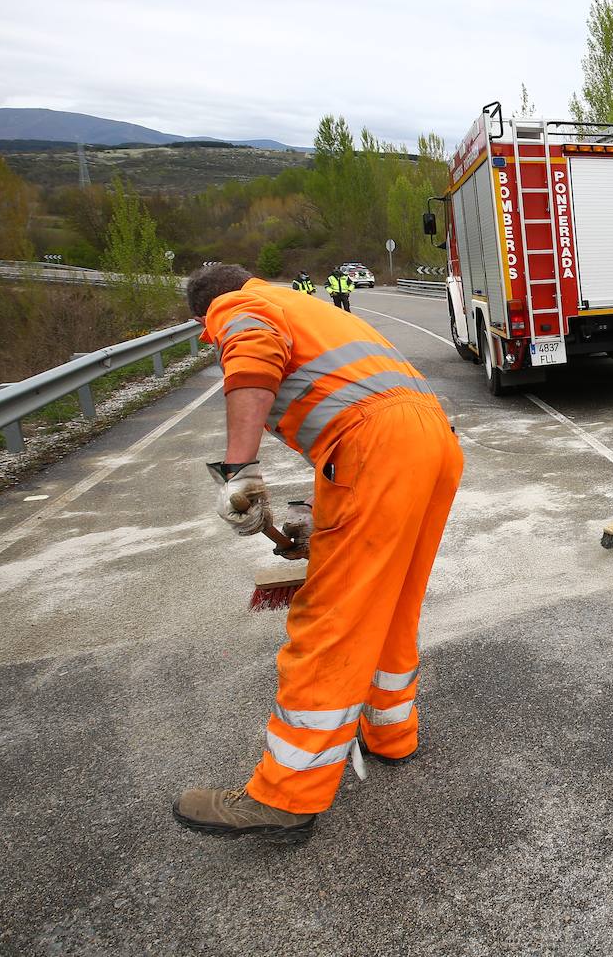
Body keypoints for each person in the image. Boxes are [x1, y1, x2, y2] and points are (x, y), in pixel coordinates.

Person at [173, 263, 463, 841]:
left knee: (331, 616)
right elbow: (361, 408)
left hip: (376, 446)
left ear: (208, 314)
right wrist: (316, 513)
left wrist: (240, 470)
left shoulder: (239, 308)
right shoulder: (311, 309)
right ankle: (390, 732)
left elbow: (253, 354)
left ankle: (286, 795)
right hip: (431, 441)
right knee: (391, 600)